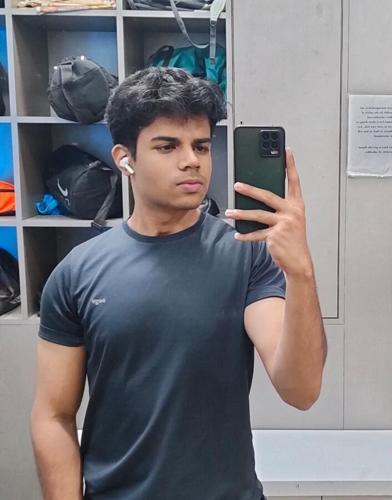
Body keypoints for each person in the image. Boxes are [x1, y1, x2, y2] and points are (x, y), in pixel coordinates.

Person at [30, 67, 327, 500]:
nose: (192, 160)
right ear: (125, 158)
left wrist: (301, 273)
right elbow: (53, 416)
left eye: (201, 145)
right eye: (167, 146)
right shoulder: (77, 273)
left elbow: (301, 390)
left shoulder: (246, 255)